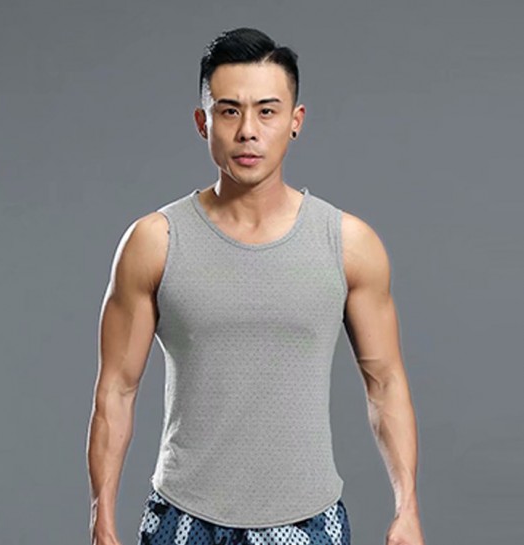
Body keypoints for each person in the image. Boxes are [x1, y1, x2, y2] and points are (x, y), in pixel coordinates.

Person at [87, 27, 426, 545]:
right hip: (183, 519)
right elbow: (116, 388)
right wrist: (102, 519)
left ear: (296, 121)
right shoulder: (155, 242)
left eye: (267, 111)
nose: (248, 131)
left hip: (308, 520)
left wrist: (408, 508)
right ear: (203, 122)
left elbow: (386, 382)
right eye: (229, 111)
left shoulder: (348, 244)